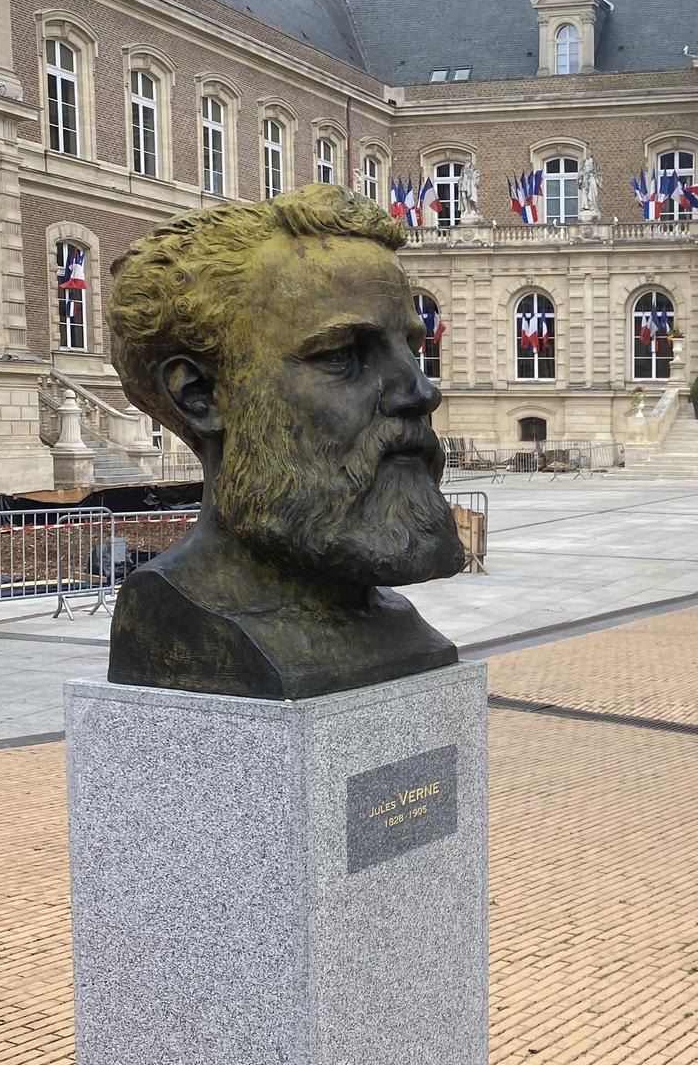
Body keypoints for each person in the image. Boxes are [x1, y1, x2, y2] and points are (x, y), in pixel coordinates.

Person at [106, 183, 466, 698]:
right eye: (342, 355)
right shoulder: (177, 620)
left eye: (412, 347)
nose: (420, 391)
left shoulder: (396, 621)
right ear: (201, 395)